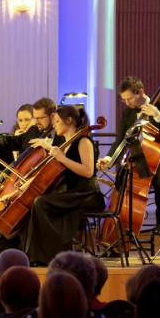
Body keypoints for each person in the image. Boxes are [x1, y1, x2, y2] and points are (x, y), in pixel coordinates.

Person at [20, 104, 104, 265]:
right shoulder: (66, 143)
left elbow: (88, 171)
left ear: (69, 121)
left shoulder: (83, 141)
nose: (54, 125)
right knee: (36, 201)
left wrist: (62, 158)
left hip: (87, 194)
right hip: (72, 193)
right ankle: (37, 255)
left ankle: (50, 256)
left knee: (41, 203)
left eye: (57, 121)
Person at [97, 75, 160, 228]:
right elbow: (121, 140)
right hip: (140, 159)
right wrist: (109, 158)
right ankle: (125, 224)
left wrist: (156, 114)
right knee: (123, 179)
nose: (127, 103)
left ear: (141, 92)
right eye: (124, 100)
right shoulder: (127, 113)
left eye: (130, 99)